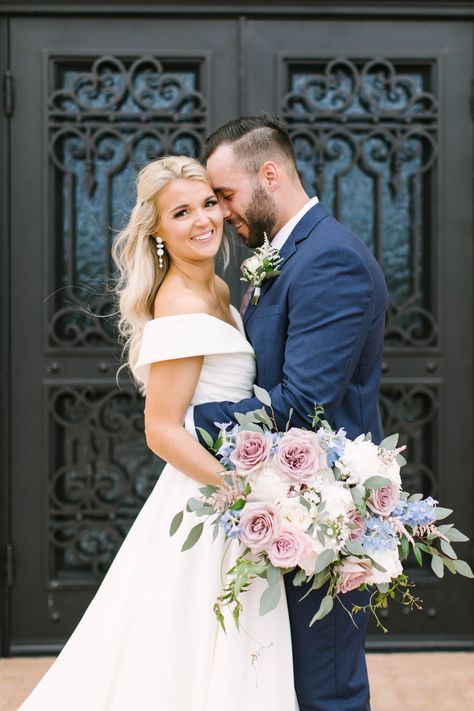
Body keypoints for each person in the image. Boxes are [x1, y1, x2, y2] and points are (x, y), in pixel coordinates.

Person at [18, 156, 298, 710]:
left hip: (226, 492)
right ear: (158, 232)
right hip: (211, 499)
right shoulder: (182, 303)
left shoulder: (219, 288)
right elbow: (163, 430)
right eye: (181, 212)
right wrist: (247, 498)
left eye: (208, 204)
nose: (203, 221)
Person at [188, 115, 388, 711]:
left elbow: (301, 404)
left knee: (326, 687)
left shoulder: (330, 260)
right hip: (285, 505)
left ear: (269, 175)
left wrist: (186, 417)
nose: (220, 213)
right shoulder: (286, 255)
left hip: (321, 515)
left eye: (224, 195)